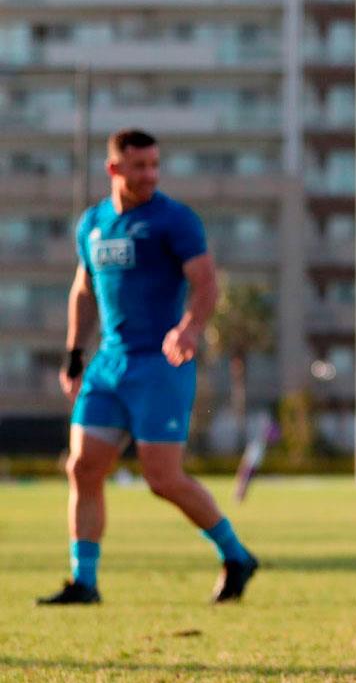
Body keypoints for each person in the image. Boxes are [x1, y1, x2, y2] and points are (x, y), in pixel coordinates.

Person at [38, 128, 259, 605]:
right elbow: (83, 290)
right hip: (108, 364)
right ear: (114, 169)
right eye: (140, 166)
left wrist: (190, 328)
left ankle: (236, 554)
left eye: (156, 165)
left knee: (163, 479)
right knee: (83, 468)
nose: (151, 175)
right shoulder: (93, 223)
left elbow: (205, 283)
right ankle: (84, 581)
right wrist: (75, 354)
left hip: (161, 365)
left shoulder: (175, 220)